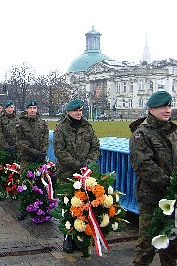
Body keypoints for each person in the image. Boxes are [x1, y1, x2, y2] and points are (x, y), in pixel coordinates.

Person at [129, 91, 177, 266]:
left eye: (169, 106)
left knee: (171, 246)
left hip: (175, 200)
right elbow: (144, 166)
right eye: (163, 106)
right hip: (152, 199)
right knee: (147, 244)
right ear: (151, 109)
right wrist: (171, 185)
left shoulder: (176, 133)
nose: (167, 110)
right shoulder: (141, 134)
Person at [53, 99, 100, 253]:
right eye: (75, 111)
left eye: (80, 110)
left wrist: (88, 163)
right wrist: (76, 165)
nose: (78, 113)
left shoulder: (87, 127)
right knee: (68, 207)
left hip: (85, 174)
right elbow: (60, 151)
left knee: (83, 207)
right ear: (68, 112)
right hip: (67, 174)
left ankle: (79, 237)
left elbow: (95, 147)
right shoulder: (61, 128)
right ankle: (68, 237)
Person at [16, 99, 49, 220]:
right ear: (26, 109)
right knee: (25, 183)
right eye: (30, 108)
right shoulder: (21, 123)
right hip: (27, 158)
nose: (33, 110)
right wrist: (35, 152)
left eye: (34, 108)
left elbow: (46, 139)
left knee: (40, 183)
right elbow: (21, 142)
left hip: (40, 158)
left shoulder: (42, 123)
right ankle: (24, 208)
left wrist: (43, 151)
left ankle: (41, 208)